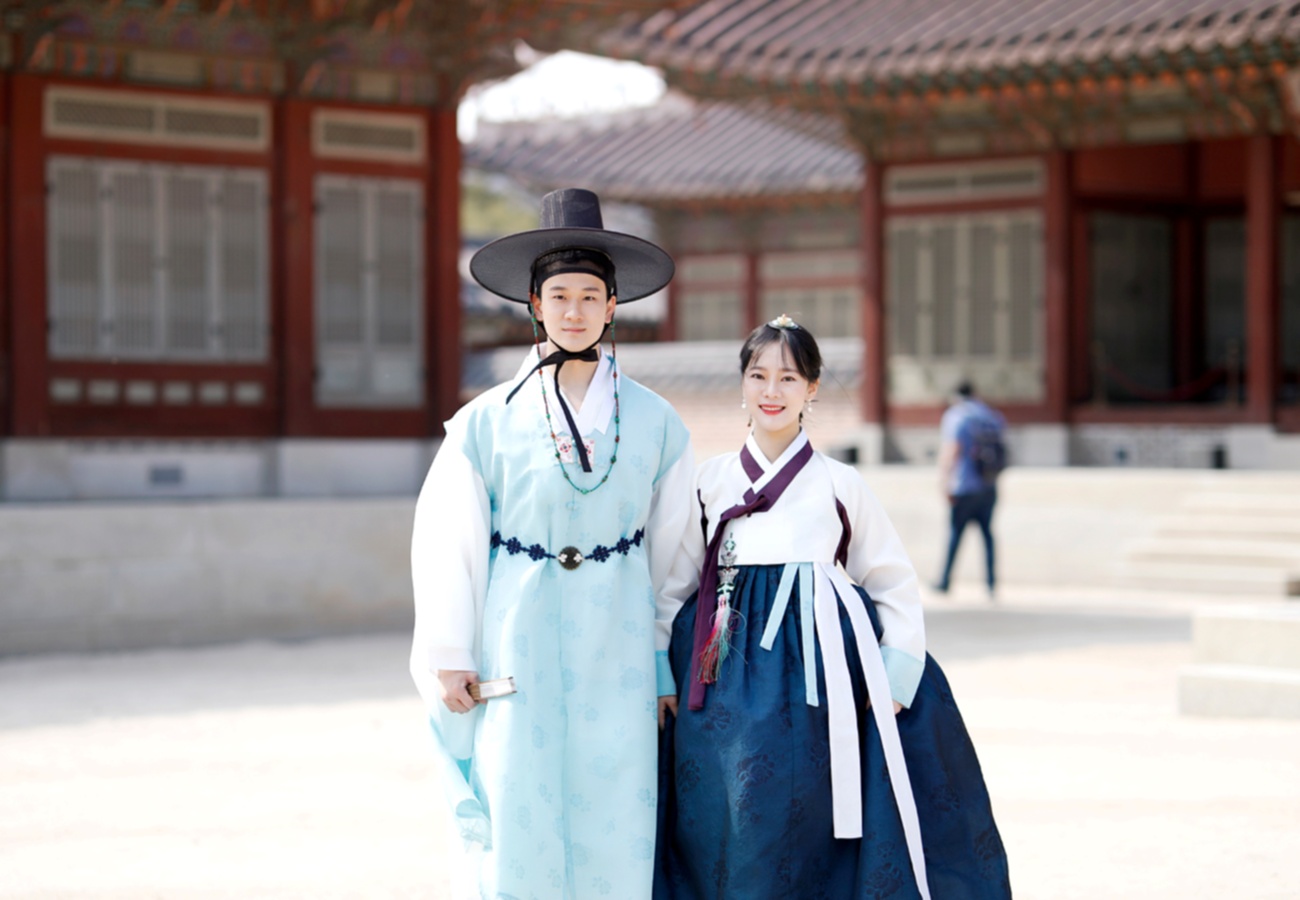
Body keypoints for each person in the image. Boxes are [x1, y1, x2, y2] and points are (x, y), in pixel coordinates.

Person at [655, 317, 1010, 900]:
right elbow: (673, 584)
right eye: (758, 375)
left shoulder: (840, 483)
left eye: (788, 378)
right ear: (742, 384)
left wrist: (895, 674)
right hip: (721, 679)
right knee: (730, 812)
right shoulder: (708, 481)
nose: (772, 391)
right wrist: (662, 671)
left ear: (812, 388)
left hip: (824, 679)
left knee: (815, 814)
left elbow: (891, 578)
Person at [410, 188, 699, 899]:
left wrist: (664, 660)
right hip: (517, 639)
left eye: (589, 296)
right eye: (560, 295)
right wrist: (449, 657)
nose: (574, 311)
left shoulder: (659, 423)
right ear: (535, 305)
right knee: (518, 811)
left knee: (616, 813)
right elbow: (450, 542)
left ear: (612, 306)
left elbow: (676, 555)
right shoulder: (481, 424)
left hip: (620, 644)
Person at [934, 380, 1006, 597]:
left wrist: (944, 481)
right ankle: (991, 583)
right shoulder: (992, 416)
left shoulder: (957, 416)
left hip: (964, 485)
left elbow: (952, 449)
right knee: (987, 535)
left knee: (956, 533)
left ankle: (945, 580)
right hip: (989, 484)